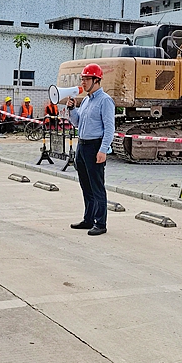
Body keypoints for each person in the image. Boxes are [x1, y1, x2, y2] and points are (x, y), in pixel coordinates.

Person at [66, 63, 115, 236]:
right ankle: (88, 219)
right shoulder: (86, 100)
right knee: (85, 186)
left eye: (86, 79)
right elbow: (77, 122)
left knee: (97, 186)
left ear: (96, 80)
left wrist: (103, 150)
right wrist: (71, 109)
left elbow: (109, 128)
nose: (83, 82)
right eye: (83, 79)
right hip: (82, 145)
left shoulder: (105, 101)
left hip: (95, 146)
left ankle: (100, 223)